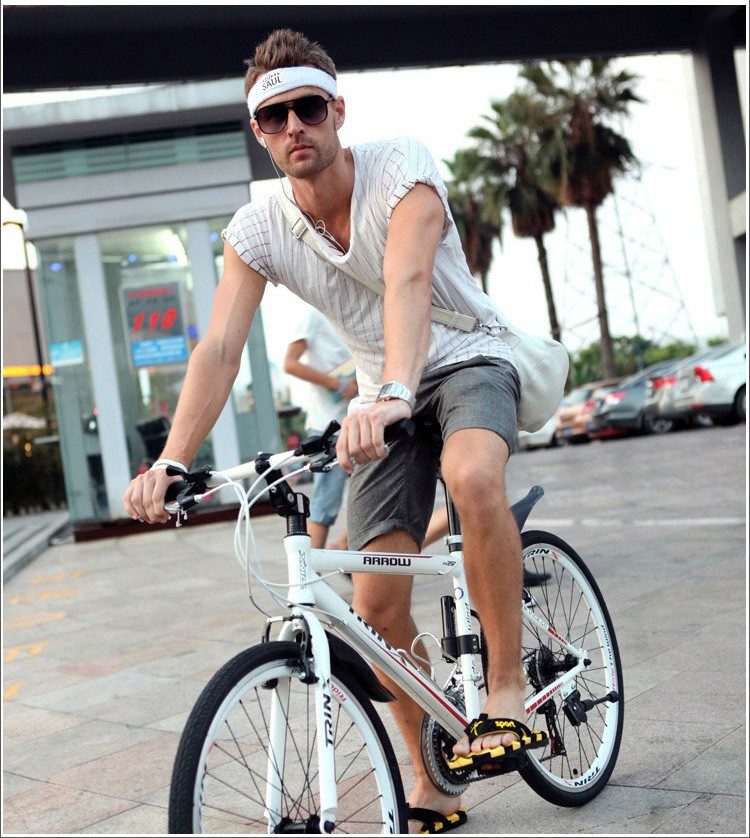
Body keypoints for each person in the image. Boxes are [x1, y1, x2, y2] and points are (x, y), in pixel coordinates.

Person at [123, 28, 548, 834]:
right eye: (275, 115)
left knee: (472, 477)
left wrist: (393, 393)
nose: (294, 126)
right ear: (258, 131)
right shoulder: (258, 228)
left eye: (309, 108)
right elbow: (220, 347)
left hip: (464, 359)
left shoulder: (401, 169)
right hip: (379, 397)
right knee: (376, 606)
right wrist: (173, 461)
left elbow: (408, 282)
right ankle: (434, 771)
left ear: (338, 111)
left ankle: (503, 686)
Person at [283, 305, 357, 549]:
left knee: (380, 494)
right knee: (325, 504)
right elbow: (290, 364)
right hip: (328, 427)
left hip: (358, 419)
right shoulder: (314, 314)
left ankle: (339, 549)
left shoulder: (354, 310)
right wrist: (338, 384)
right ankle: (309, 568)